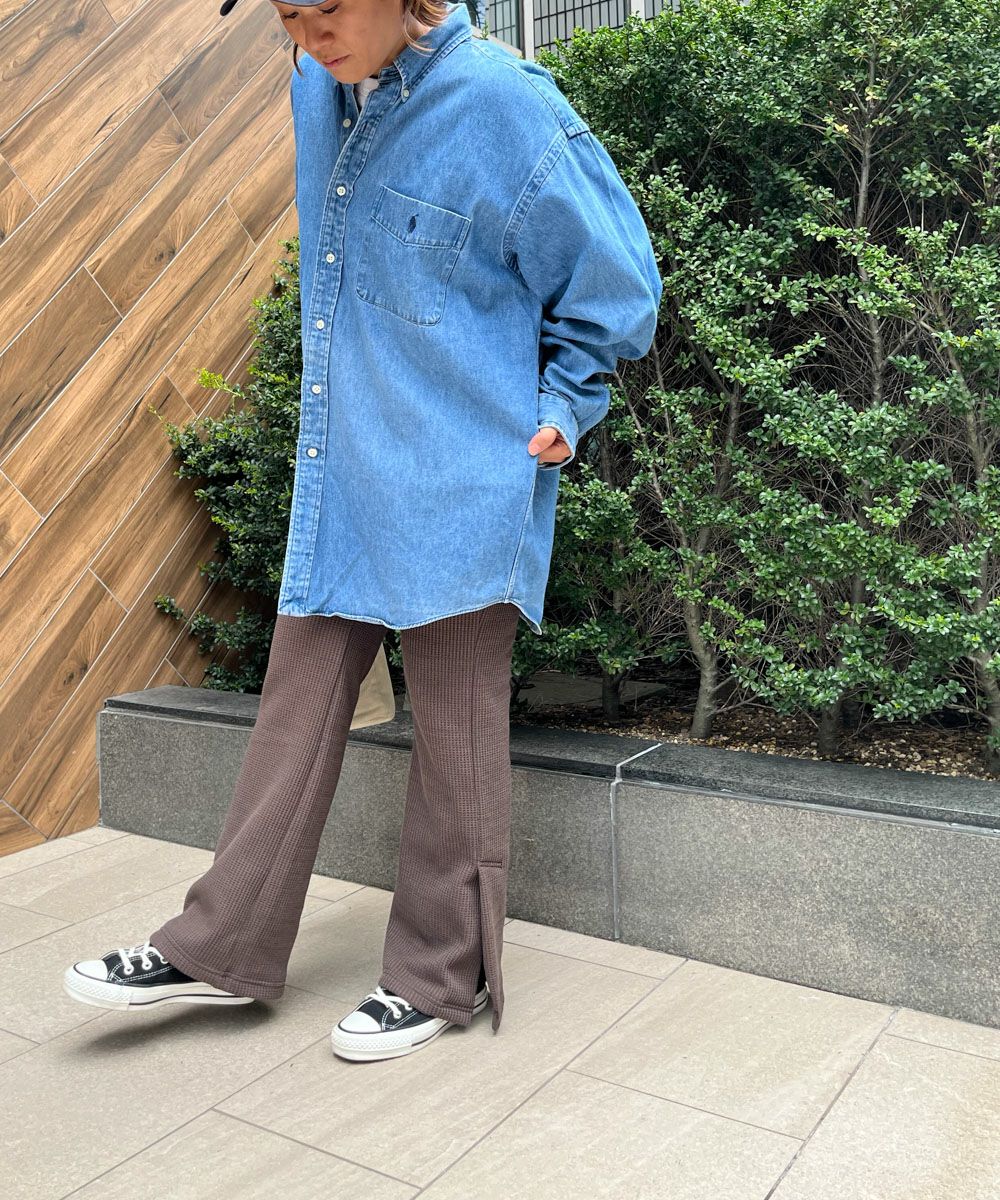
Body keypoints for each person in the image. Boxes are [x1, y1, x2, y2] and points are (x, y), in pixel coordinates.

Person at [63, 0, 662, 1062]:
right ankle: (219, 948)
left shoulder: (504, 104)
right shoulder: (316, 85)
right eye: (288, 14)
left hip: (465, 467)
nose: (309, 34)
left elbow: (615, 284)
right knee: (292, 710)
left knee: (456, 739)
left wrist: (564, 406)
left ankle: (436, 977)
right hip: (344, 468)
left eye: (329, 6)